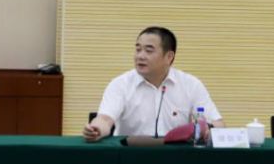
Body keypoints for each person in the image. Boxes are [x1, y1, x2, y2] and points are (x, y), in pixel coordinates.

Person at [83, 26, 223, 141]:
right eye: (138, 49)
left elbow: (218, 125)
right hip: (132, 156)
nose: (140, 56)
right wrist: (96, 129)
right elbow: (105, 119)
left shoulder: (191, 85)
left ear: (169, 57)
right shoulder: (120, 84)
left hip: (177, 158)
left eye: (148, 51)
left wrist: (207, 130)